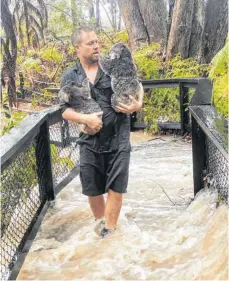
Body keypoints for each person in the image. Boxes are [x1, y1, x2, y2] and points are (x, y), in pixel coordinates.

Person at [60, 26, 144, 238]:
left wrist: (138, 103)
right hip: (89, 140)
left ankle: (110, 232)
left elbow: (136, 83)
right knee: (92, 188)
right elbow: (64, 110)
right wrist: (85, 118)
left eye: (97, 42)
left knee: (117, 186)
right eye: (90, 43)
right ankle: (101, 227)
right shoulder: (70, 76)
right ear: (77, 47)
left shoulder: (111, 66)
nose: (96, 46)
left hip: (119, 137)